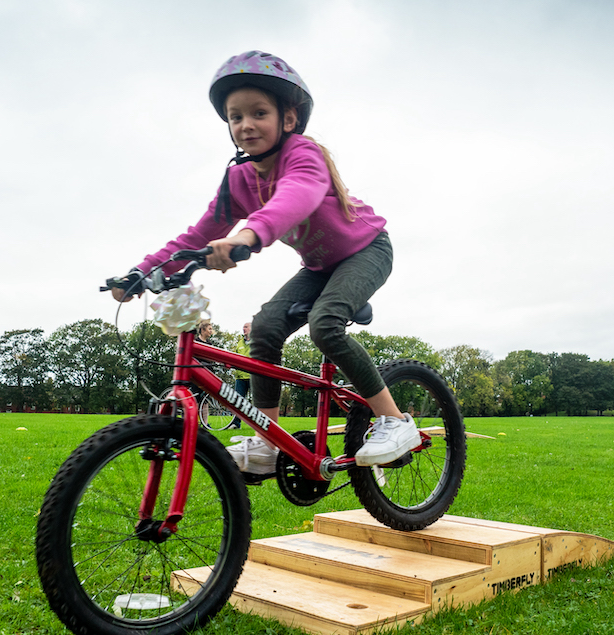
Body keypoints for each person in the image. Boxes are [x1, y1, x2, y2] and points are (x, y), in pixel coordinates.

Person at [114, 50, 420, 475]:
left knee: (326, 323)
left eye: (259, 113)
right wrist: (142, 271)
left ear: (288, 119)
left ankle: (394, 420)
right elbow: (197, 233)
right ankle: (268, 441)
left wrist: (248, 234)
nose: (246, 124)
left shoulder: (304, 155)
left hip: (366, 250)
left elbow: (297, 196)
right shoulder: (238, 179)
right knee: (264, 329)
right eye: (235, 117)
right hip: (319, 267)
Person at [228, 321, 251, 429]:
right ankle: (236, 424)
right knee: (237, 401)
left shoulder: (257, 342)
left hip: (253, 376)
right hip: (240, 377)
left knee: (258, 402)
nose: (243, 328)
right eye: (243, 327)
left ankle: (262, 426)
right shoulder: (240, 343)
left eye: (246, 327)